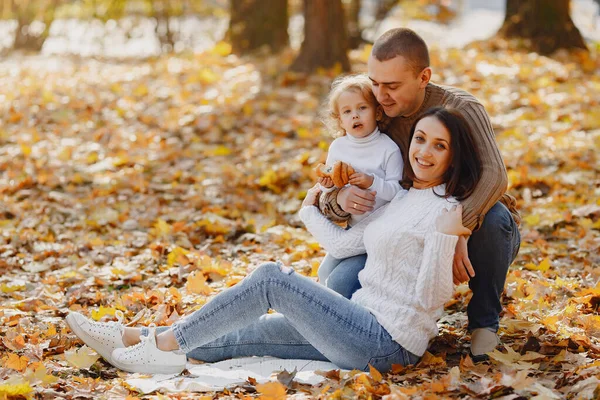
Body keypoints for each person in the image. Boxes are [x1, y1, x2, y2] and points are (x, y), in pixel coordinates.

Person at [65, 107, 481, 375]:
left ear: (453, 157)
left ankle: (164, 344)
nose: (424, 151)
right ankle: (132, 338)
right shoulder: (405, 198)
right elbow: (343, 247)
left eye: (439, 145)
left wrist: (447, 238)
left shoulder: (445, 211)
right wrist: (308, 208)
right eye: (421, 139)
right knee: (241, 334)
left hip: (388, 343)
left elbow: (432, 297)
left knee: (271, 278)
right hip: (357, 323)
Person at [321, 28, 521, 361]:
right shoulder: (377, 113)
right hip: (405, 225)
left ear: (423, 76)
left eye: (393, 86)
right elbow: (330, 178)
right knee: (339, 285)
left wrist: (457, 229)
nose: (381, 96)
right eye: (375, 82)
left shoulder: (461, 108)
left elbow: (494, 176)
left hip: (473, 223)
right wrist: (337, 201)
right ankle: (373, 327)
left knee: (496, 219)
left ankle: (484, 322)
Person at [315, 74, 404, 286]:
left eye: (362, 108)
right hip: (351, 229)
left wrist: (371, 181)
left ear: (377, 111)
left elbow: (398, 192)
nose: (355, 116)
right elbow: (331, 185)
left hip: (379, 232)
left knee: (342, 282)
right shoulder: (338, 147)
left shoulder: (388, 149)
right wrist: (327, 186)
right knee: (324, 270)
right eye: (347, 111)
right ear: (340, 120)